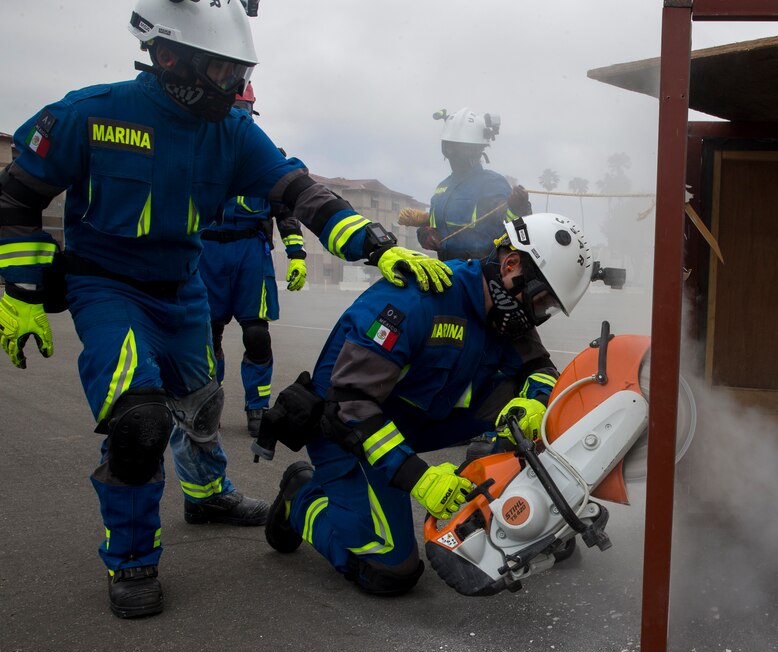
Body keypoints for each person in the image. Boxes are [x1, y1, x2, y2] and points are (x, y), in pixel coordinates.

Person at [0, 0, 450, 619]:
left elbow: (300, 191)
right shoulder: (91, 114)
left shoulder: (231, 130)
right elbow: (16, 197)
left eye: (240, 71)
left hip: (184, 289)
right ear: (167, 57)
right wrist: (21, 290)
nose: (236, 86)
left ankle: (207, 494)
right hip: (106, 287)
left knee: (201, 404)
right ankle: (131, 558)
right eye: (223, 71)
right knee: (139, 423)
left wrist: (377, 247)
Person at [263, 213, 596, 596]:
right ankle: (300, 496)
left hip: (411, 420)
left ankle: (525, 498)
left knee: (549, 404)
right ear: (511, 265)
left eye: (549, 308)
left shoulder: (505, 312)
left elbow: (540, 367)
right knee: (390, 570)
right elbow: (350, 407)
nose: (538, 315)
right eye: (541, 301)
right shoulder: (415, 300)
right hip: (348, 431)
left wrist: (536, 405)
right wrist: (419, 477)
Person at [199, 83, 306, 437]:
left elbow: (284, 210)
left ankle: (257, 407)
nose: (239, 116)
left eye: (244, 110)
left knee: (257, 336)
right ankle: (205, 404)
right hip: (207, 250)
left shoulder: (267, 155)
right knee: (206, 335)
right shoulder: (197, 149)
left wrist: (297, 254)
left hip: (249, 251)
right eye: (235, 107)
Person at [406, 108, 532, 262]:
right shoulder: (442, 188)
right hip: (447, 272)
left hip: (481, 275)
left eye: (459, 148)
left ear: (476, 150)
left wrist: (519, 208)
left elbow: (514, 227)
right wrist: (424, 233)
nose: (453, 153)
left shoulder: (491, 183)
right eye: (449, 147)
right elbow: (432, 224)